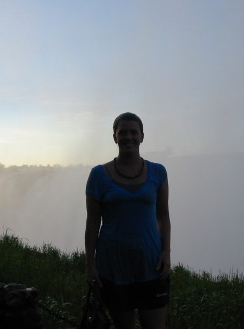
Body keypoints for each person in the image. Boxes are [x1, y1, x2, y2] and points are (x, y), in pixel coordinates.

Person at [85, 112, 171, 329]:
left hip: (151, 265)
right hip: (113, 267)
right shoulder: (98, 175)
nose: (128, 137)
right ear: (114, 137)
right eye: (122, 132)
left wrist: (166, 252)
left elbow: (163, 215)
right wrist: (90, 266)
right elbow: (93, 223)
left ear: (142, 136)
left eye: (134, 132)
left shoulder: (158, 172)